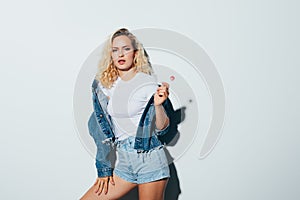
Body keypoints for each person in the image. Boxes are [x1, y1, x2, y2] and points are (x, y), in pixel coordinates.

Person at [80, 28, 175, 200]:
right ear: (110, 55)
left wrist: (158, 105)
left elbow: (163, 129)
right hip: (124, 163)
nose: (120, 54)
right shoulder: (103, 85)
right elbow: (98, 128)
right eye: (115, 50)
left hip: (149, 159)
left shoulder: (146, 84)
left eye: (126, 49)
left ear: (135, 53)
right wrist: (104, 167)